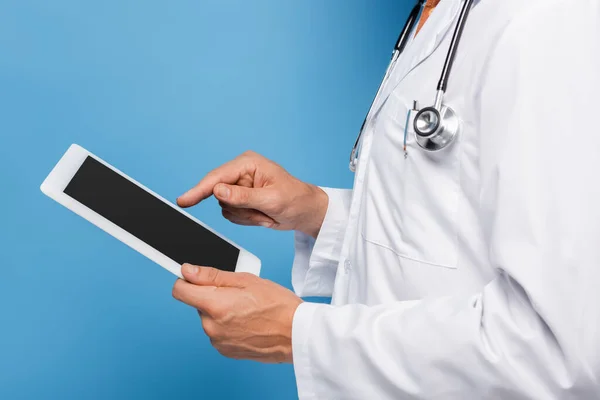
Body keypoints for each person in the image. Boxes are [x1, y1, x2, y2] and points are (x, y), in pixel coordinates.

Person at [172, 0, 600, 398]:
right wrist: (318, 214)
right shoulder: (439, 14)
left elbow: (555, 350)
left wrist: (297, 334)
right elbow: (451, 239)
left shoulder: (546, 21)